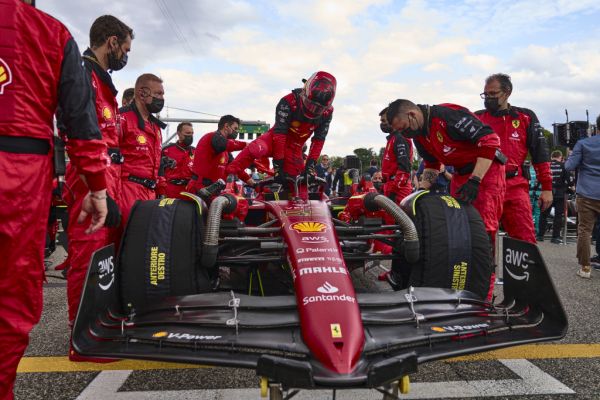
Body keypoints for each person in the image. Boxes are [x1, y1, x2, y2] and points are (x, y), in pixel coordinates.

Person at [0, 0, 110, 396]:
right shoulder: (51, 32)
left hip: (25, 167)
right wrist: (97, 185)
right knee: (10, 299)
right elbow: (78, 121)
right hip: (18, 174)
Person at [63, 16, 133, 361]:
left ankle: (101, 327)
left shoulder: (103, 83)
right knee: (88, 257)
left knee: (107, 256)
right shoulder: (83, 74)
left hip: (109, 178)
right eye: (126, 49)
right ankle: (82, 340)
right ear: (112, 41)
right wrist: (99, 187)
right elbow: (81, 135)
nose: (126, 56)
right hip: (88, 178)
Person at [386, 99, 505, 299]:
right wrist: (420, 191)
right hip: (460, 175)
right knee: (460, 226)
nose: (405, 135)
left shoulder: (447, 116)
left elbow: (490, 140)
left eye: (405, 129)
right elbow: (432, 164)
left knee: (483, 231)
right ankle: (460, 284)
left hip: (485, 171)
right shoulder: (419, 135)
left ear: (412, 115)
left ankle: (486, 293)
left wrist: (475, 180)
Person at [475, 73, 552, 244]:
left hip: (515, 185)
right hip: (485, 186)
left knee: (525, 238)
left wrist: (547, 188)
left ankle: (526, 271)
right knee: (483, 238)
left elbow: (540, 154)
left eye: (493, 94)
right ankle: (487, 272)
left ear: (507, 92)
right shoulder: (477, 118)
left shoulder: (525, 117)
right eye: (485, 94)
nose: (488, 98)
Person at [227, 71, 336, 184]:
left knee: (299, 181)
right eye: (310, 104)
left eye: (318, 108)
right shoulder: (288, 101)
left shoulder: (328, 112)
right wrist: (278, 164)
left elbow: (319, 140)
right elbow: (280, 134)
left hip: (294, 148)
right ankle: (229, 175)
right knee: (257, 148)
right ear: (304, 92)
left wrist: (310, 166)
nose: (312, 110)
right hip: (274, 139)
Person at [119, 73, 166, 222]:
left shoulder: (155, 127)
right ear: (142, 93)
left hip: (150, 194)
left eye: (163, 94)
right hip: (126, 191)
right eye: (158, 93)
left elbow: (156, 164)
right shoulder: (122, 119)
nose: (162, 98)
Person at [565, 120, 600, 279]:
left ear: (596, 127)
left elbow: (569, 166)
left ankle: (585, 268)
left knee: (585, 230)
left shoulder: (583, 144)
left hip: (587, 193)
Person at [186, 115, 247, 192]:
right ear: (226, 126)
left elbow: (235, 167)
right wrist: (247, 145)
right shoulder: (212, 137)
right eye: (235, 129)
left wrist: (252, 182)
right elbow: (226, 144)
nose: (236, 132)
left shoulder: (225, 150)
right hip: (200, 187)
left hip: (213, 188)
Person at [380, 107, 413, 204]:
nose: (382, 124)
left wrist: (393, 192)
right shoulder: (392, 138)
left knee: (395, 219)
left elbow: (404, 168)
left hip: (399, 188)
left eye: (384, 120)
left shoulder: (400, 138)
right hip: (391, 185)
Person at [538, 150, 573, 243]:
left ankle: (540, 236)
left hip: (546, 192)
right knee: (558, 215)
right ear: (560, 157)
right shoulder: (563, 166)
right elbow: (570, 180)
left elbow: (539, 178)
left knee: (543, 215)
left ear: (551, 157)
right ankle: (555, 237)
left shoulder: (546, 165)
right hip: (560, 194)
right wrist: (572, 187)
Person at [158, 122, 195, 199]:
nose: (190, 136)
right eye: (187, 133)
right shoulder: (166, 150)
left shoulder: (195, 151)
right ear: (179, 133)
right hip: (169, 191)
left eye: (192, 133)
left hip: (188, 192)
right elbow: (157, 171)